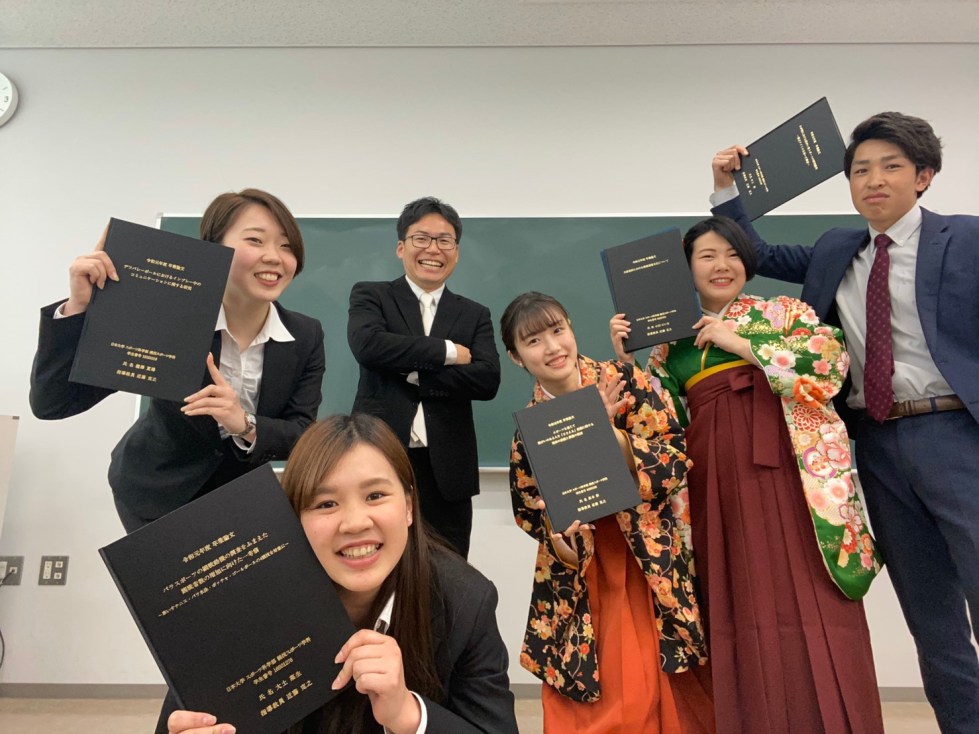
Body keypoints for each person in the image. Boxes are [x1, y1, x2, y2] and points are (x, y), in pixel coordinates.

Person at [710, 111, 979, 734]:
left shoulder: (966, 238)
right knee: (931, 618)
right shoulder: (838, 250)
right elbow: (757, 253)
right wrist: (726, 189)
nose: (873, 180)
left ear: (924, 176)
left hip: (957, 436)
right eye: (860, 170)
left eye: (890, 167)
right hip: (878, 449)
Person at [611, 217, 884, 733]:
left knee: (812, 590)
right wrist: (628, 362)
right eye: (706, 256)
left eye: (732, 253)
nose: (722, 266)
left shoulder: (784, 312)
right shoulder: (670, 346)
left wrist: (743, 345)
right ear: (685, 270)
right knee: (739, 594)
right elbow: (660, 423)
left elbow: (830, 362)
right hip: (716, 481)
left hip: (791, 471)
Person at [163, 413, 519, 734]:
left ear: (409, 507)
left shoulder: (464, 601)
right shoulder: (237, 606)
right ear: (292, 520)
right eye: (326, 503)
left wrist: (408, 715)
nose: (355, 523)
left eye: (375, 495)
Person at [30, 189, 325, 531]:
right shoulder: (170, 318)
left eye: (287, 246)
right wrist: (79, 308)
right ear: (214, 249)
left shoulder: (305, 335)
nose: (274, 257)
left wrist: (243, 423)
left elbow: (302, 434)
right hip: (156, 489)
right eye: (255, 240)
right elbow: (53, 404)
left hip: (242, 497)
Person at [502, 291, 713, 734]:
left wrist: (607, 433)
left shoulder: (624, 380)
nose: (553, 347)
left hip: (645, 557)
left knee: (655, 688)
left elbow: (674, 457)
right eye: (534, 341)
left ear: (571, 327)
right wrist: (558, 535)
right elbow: (528, 511)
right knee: (598, 695)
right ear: (516, 357)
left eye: (558, 330)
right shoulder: (530, 429)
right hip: (584, 570)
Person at [347, 196, 500, 558]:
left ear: (456, 253)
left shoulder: (474, 314)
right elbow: (369, 346)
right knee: (380, 566)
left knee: (450, 572)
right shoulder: (372, 295)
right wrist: (448, 353)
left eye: (444, 240)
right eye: (421, 238)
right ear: (401, 247)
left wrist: (416, 374)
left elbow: (487, 379)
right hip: (379, 456)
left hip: (448, 473)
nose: (433, 249)